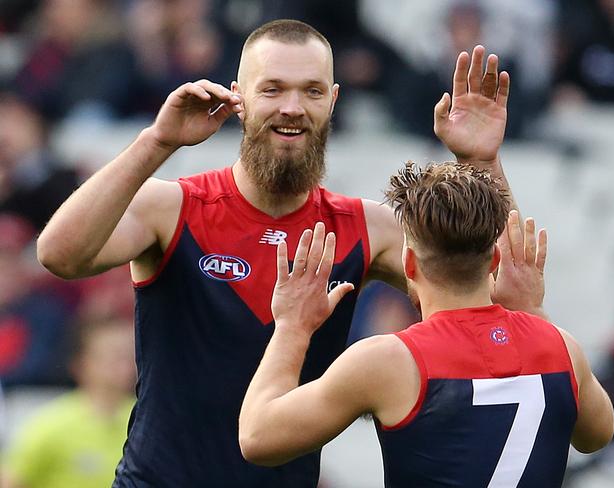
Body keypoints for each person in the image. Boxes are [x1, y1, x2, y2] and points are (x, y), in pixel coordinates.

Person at [37, 18, 525, 486]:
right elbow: (61, 254)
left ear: (332, 101)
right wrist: (158, 141)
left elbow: (498, 299)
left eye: (311, 91)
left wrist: (481, 162)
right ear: (239, 99)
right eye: (272, 89)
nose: (292, 106)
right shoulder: (174, 206)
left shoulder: (366, 227)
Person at [239, 162, 614, 487]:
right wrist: (532, 311)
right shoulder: (561, 346)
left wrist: (293, 326)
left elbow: (258, 438)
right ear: (493, 260)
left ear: (409, 264)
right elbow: (598, 435)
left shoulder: (389, 361)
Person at [1, 316, 135, 488]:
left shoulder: (146, 421)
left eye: (129, 355)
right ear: (81, 363)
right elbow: (10, 480)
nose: (125, 365)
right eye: (114, 356)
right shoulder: (51, 423)